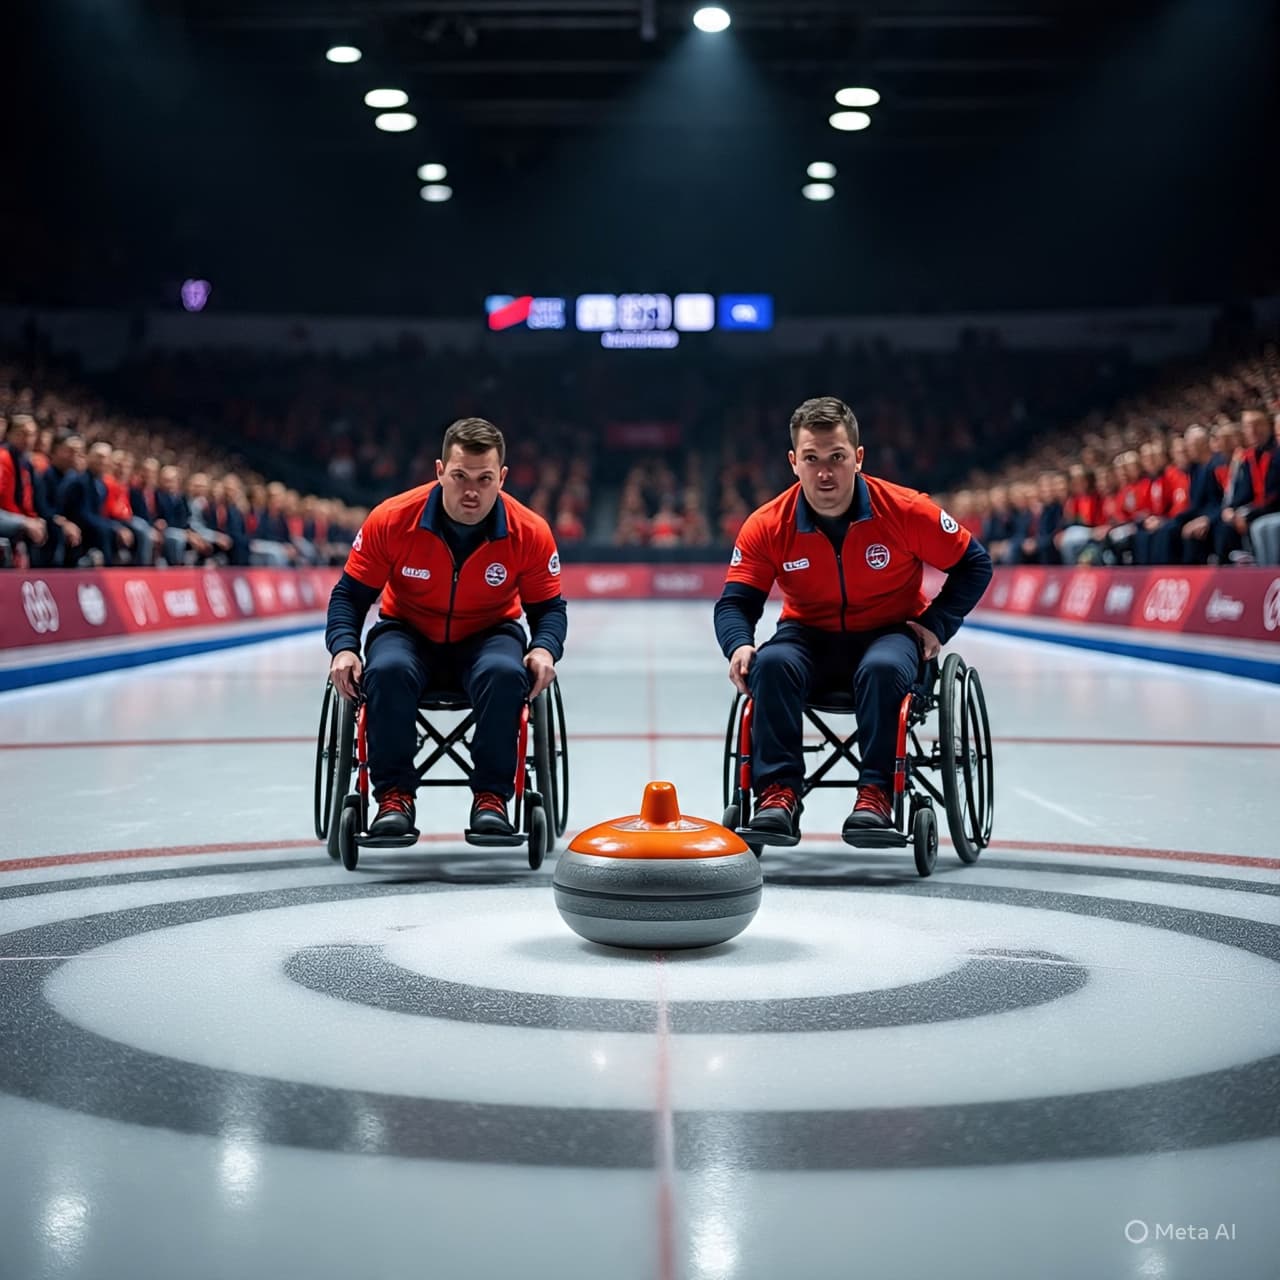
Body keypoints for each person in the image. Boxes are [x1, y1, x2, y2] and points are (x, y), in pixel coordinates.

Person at [713, 396, 992, 843]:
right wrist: (739, 644)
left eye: (837, 458)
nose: (825, 472)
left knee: (882, 669)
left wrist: (937, 624)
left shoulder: (905, 510)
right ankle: (778, 794)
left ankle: (876, 794)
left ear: (858, 458)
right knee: (769, 664)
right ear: (794, 462)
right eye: (812, 459)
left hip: (890, 634)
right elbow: (735, 603)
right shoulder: (767, 524)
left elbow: (975, 565)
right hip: (807, 637)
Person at [324, 417, 567, 838]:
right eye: (459, 476)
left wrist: (544, 649)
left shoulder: (530, 531)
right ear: (439, 471)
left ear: (502, 478)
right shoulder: (392, 519)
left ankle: (491, 797)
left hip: (490, 634)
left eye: (484, 478)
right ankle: (393, 796)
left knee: (507, 673)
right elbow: (349, 596)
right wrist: (344, 648)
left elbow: (549, 610)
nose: (471, 490)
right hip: (407, 631)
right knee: (385, 671)